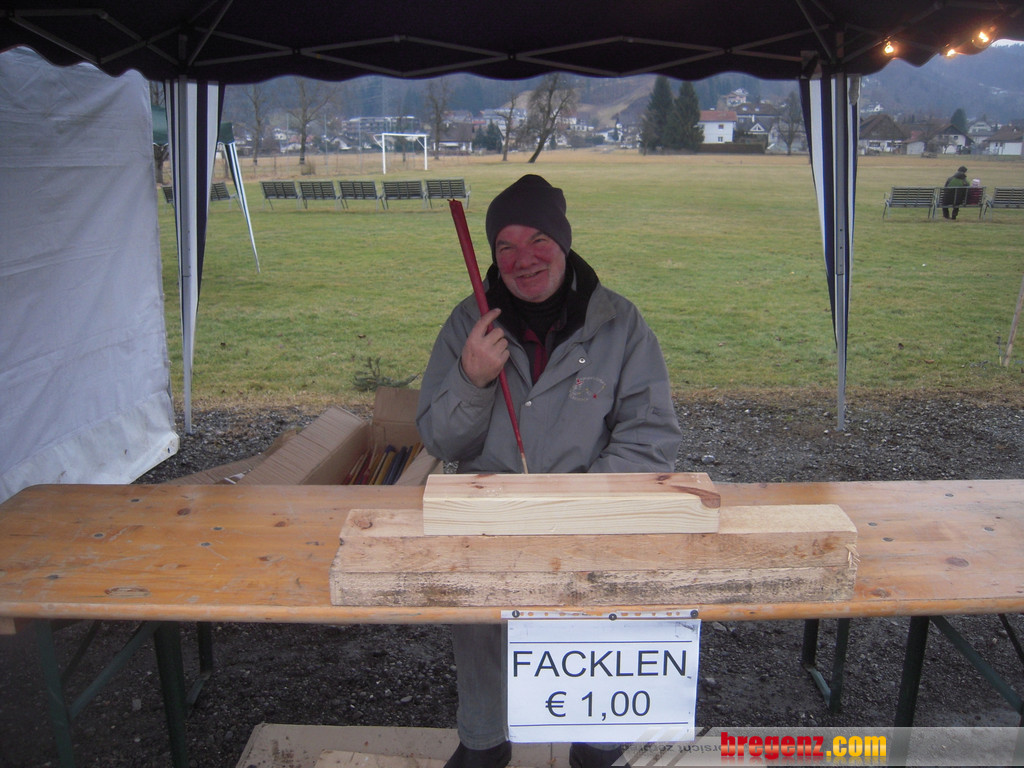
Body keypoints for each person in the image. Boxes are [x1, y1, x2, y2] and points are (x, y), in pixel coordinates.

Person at [416, 174, 683, 768]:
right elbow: (440, 439)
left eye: (538, 239)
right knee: (482, 623)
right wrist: (471, 380)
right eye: (505, 245)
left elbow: (651, 437)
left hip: (592, 521)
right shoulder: (468, 325)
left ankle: (597, 741)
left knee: (600, 619)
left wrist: (576, 505)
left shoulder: (620, 325)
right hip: (489, 524)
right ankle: (485, 739)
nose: (523, 259)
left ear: (563, 242)